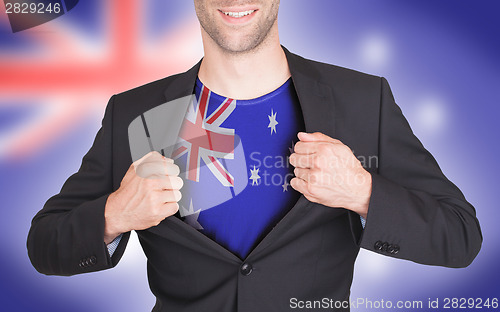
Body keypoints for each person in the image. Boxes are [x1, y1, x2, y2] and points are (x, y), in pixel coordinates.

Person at [27, 1, 482, 311]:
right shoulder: (136, 113)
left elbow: (460, 236)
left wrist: (363, 192)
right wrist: (114, 214)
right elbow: (44, 245)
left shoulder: (363, 100)